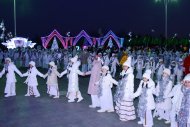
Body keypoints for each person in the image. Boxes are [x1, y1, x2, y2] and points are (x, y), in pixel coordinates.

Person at [115, 57, 136, 121]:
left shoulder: (130, 75)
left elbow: (131, 85)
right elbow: (120, 81)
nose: (124, 67)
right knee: (121, 101)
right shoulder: (123, 72)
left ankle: (126, 117)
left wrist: (131, 93)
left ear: (128, 67)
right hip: (122, 90)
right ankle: (121, 113)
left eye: (126, 66)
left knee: (126, 104)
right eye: (123, 66)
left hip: (127, 91)